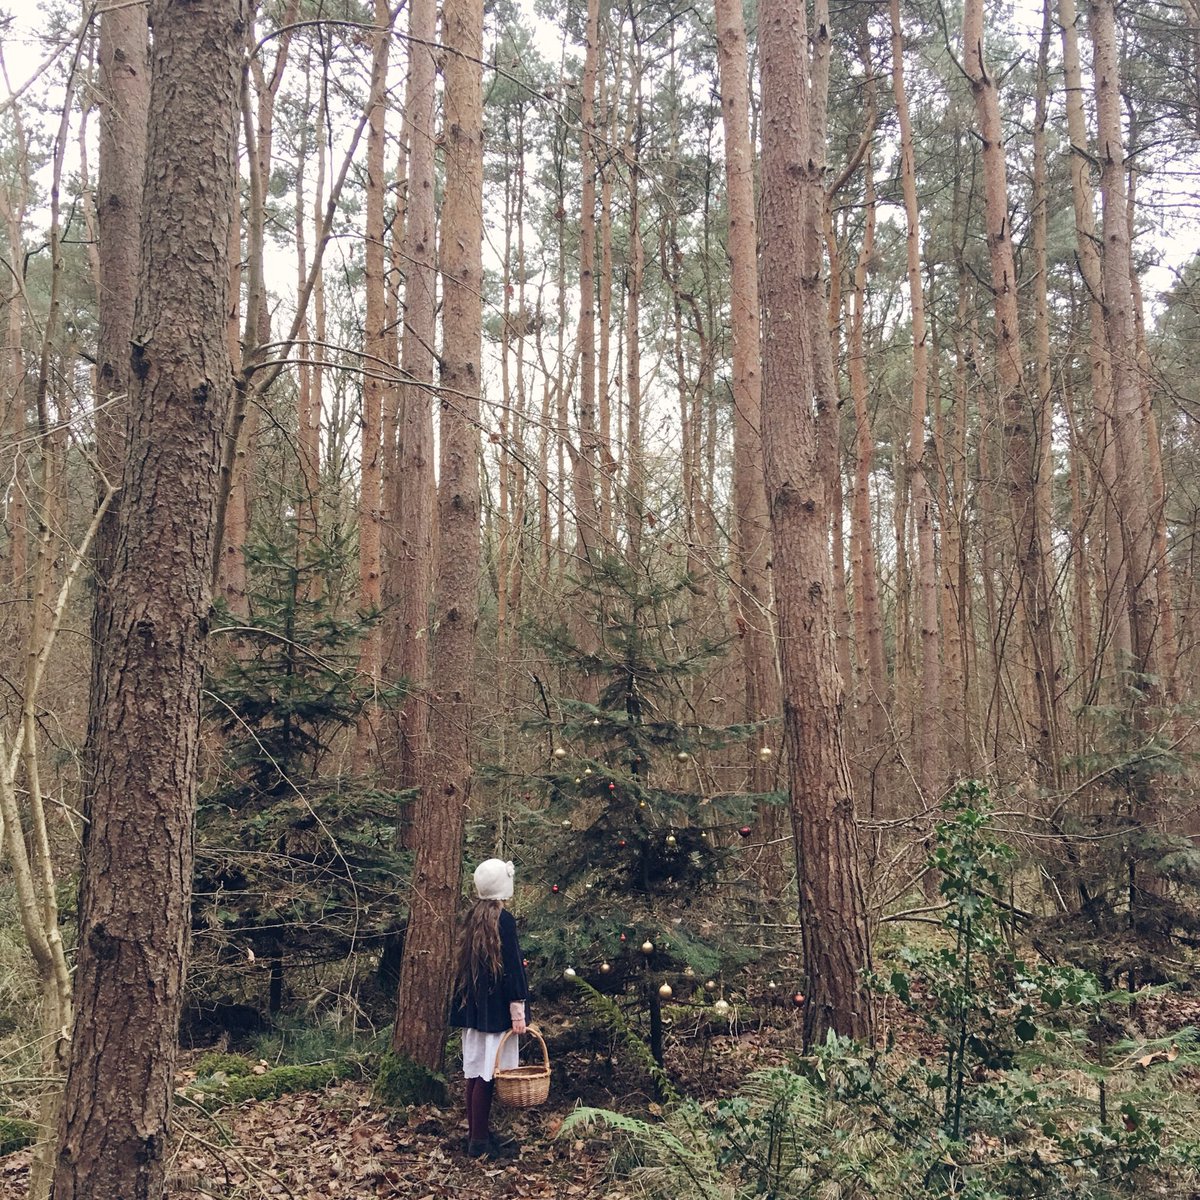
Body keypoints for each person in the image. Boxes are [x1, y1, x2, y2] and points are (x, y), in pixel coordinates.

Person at [449, 858, 529, 1159]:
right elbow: (513, 970)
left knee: (475, 1073)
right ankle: (479, 1141)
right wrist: (517, 1009)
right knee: (486, 1075)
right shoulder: (503, 920)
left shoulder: (473, 916)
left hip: (476, 1012)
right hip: (495, 1014)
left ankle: (476, 1133)